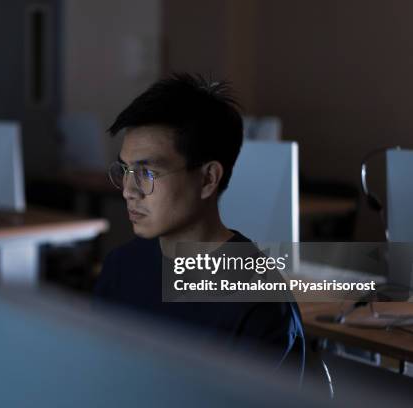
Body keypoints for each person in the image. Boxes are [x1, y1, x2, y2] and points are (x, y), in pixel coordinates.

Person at [95, 73, 305, 379]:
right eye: (125, 170)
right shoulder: (120, 268)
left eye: (148, 173)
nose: (128, 189)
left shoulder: (259, 303)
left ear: (208, 179)